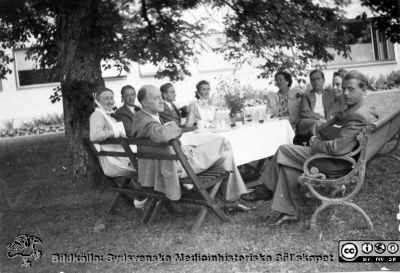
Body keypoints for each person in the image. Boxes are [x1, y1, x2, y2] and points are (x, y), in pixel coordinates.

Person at [241, 70, 379, 225]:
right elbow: (330, 132)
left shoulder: (358, 115)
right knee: (288, 166)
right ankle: (289, 212)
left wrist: (316, 144)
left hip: (337, 163)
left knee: (283, 150)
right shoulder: (364, 108)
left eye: (351, 89)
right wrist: (338, 118)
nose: (345, 93)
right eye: (344, 88)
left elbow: (337, 148)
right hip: (345, 160)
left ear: (364, 90)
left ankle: (266, 188)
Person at [131, 85, 250, 209]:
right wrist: (173, 125)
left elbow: (164, 134)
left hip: (175, 160)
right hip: (180, 165)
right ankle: (231, 200)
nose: (161, 101)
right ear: (144, 102)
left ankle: (231, 201)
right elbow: (163, 135)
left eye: (161, 97)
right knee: (224, 143)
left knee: (225, 154)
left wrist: (171, 128)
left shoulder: (143, 117)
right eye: (156, 98)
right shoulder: (145, 120)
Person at [89, 87, 134, 177]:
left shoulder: (107, 115)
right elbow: (95, 135)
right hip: (116, 162)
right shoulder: (97, 115)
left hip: (121, 157)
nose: (110, 101)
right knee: (155, 160)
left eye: (111, 98)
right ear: (98, 101)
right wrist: (114, 133)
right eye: (106, 98)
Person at [294, 69, 336, 145]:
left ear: (323, 80)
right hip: (309, 122)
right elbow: (306, 112)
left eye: (318, 79)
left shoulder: (330, 95)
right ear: (310, 81)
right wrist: (322, 119)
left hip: (325, 122)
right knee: (317, 124)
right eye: (313, 79)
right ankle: (319, 144)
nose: (316, 82)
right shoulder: (306, 95)